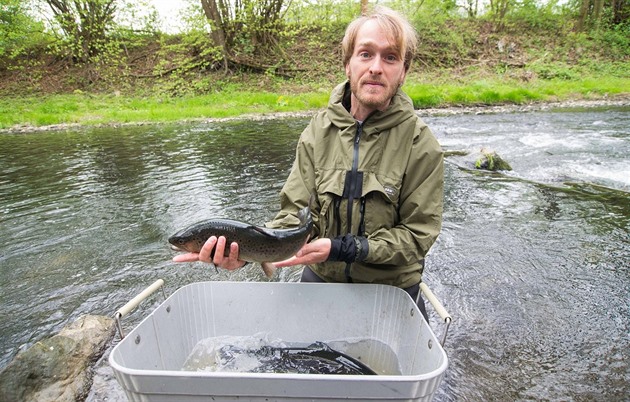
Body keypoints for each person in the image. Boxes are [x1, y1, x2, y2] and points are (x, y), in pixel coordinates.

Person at [173, 6, 443, 320]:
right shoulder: (316, 133)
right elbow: (293, 215)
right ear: (347, 64)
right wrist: (245, 254)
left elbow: (416, 238)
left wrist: (344, 248)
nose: (376, 68)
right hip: (321, 282)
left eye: (390, 57)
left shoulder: (421, 145)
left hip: (392, 291)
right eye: (365, 54)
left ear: (404, 71)